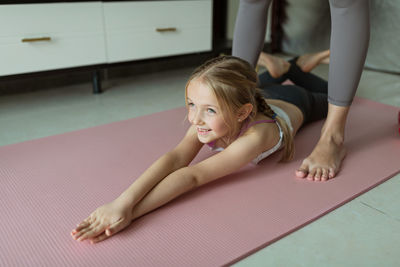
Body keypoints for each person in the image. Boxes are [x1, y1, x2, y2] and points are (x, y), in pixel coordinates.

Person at [71, 52, 330, 244]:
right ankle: (281, 69)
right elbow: (175, 158)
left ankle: (293, 69)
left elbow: (193, 176)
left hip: (297, 101)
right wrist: (120, 202)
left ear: (242, 113)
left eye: (208, 110)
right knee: (248, 88)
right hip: (254, 98)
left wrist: (131, 213)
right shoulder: (212, 117)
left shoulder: (254, 138)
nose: (195, 119)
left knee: (334, 94)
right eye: (191, 104)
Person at [233, 0, 370, 180]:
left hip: (281, 97)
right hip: (283, 98)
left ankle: (332, 137)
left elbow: (196, 174)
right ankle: (292, 65)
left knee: (346, 2)